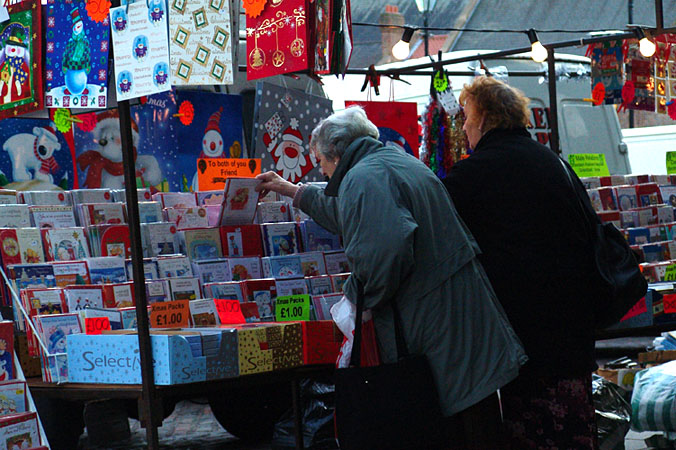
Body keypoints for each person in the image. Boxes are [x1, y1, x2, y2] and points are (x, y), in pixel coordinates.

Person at [256, 106, 527, 449]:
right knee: (475, 417)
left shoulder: (363, 179)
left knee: (461, 428)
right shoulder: (393, 163)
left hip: (436, 325)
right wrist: (291, 190)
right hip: (460, 319)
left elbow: (385, 253)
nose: (322, 172)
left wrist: (357, 297)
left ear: (336, 153)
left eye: (321, 162)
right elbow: (350, 212)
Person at [443, 76, 599, 449]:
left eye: (466, 117)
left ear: (484, 118)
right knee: (574, 428)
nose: (463, 128)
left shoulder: (472, 174)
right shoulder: (552, 161)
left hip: (521, 331)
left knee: (530, 430)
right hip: (573, 324)